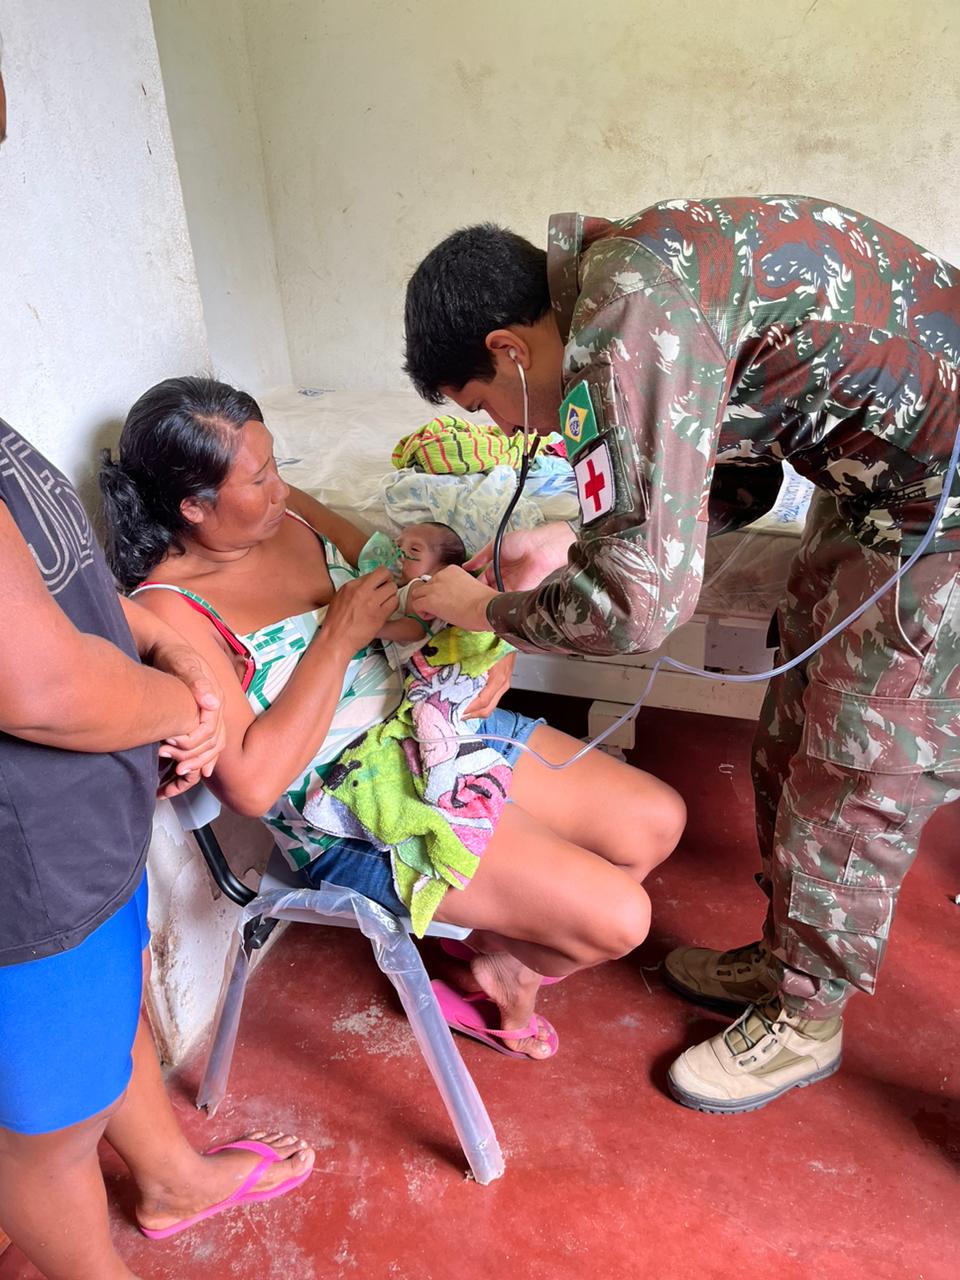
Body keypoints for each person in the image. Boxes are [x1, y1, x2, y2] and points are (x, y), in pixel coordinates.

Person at [403, 198, 960, 1113]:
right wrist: (568, 541)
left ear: (508, 348)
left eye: (482, 406)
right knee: (795, 723)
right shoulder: (617, 279)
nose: (503, 431)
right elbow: (739, 468)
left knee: (854, 760)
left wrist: (494, 608)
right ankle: (789, 959)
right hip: (877, 485)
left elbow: (634, 609)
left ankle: (806, 1019)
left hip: (940, 505)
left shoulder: (623, 316)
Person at [100, 376, 686, 1062]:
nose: (281, 491)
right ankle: (498, 948)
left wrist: (481, 636)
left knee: (656, 820)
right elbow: (254, 788)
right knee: (621, 919)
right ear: (194, 508)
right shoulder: (172, 610)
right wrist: (336, 640)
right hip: (352, 805)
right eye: (258, 480)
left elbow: (400, 581)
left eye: (275, 467)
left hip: (430, 726)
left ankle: (507, 961)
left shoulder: (293, 519)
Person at [0, 61, 317, 1280]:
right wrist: (187, 697)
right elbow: (43, 686)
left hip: (77, 839)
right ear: (193, 500)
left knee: (105, 1018)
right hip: (26, 870)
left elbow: (59, 596)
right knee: (47, 1133)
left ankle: (172, 1176)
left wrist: (166, 639)